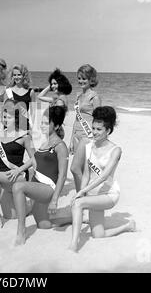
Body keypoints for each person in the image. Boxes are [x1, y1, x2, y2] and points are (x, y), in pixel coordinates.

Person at [69, 106, 136, 252]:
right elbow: (86, 174)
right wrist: (82, 191)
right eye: (93, 128)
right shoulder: (89, 147)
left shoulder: (116, 150)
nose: (94, 132)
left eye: (99, 129)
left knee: (78, 203)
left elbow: (105, 175)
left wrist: (81, 194)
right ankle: (128, 226)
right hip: (94, 196)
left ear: (108, 130)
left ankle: (73, 245)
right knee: (97, 235)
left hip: (108, 195)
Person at [12, 106, 69, 245]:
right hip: (37, 185)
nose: (42, 126)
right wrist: (19, 169)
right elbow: (35, 159)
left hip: (47, 188)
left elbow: (62, 175)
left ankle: (21, 230)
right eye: (41, 122)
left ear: (55, 126)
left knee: (18, 187)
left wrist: (55, 200)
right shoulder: (45, 141)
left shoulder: (60, 146)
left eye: (45, 123)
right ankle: (72, 218)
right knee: (44, 225)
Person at [0, 99, 35, 227]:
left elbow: (34, 159)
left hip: (17, 176)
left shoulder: (25, 136)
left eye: (8, 117)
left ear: (16, 118)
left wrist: (19, 170)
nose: (5, 119)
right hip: (4, 178)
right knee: (11, 216)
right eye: (4, 117)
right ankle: (28, 206)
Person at [70, 64, 101, 192]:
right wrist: (71, 138)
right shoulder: (78, 96)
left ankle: (80, 196)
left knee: (75, 168)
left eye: (84, 78)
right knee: (82, 169)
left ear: (91, 80)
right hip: (77, 135)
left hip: (87, 136)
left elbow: (99, 120)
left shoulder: (94, 96)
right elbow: (77, 118)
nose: (81, 81)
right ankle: (83, 196)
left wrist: (97, 139)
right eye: (79, 78)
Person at [37, 68, 72, 138]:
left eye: (55, 83)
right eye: (51, 84)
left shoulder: (60, 101)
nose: (52, 86)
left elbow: (57, 119)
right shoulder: (57, 98)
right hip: (54, 129)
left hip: (55, 131)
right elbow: (40, 96)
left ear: (61, 84)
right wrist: (50, 86)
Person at [5, 64, 35, 132]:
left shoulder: (31, 92)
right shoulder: (8, 91)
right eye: (14, 75)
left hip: (25, 126)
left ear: (24, 76)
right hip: (12, 126)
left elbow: (33, 113)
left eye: (19, 74)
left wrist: (32, 126)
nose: (16, 77)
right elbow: (4, 111)